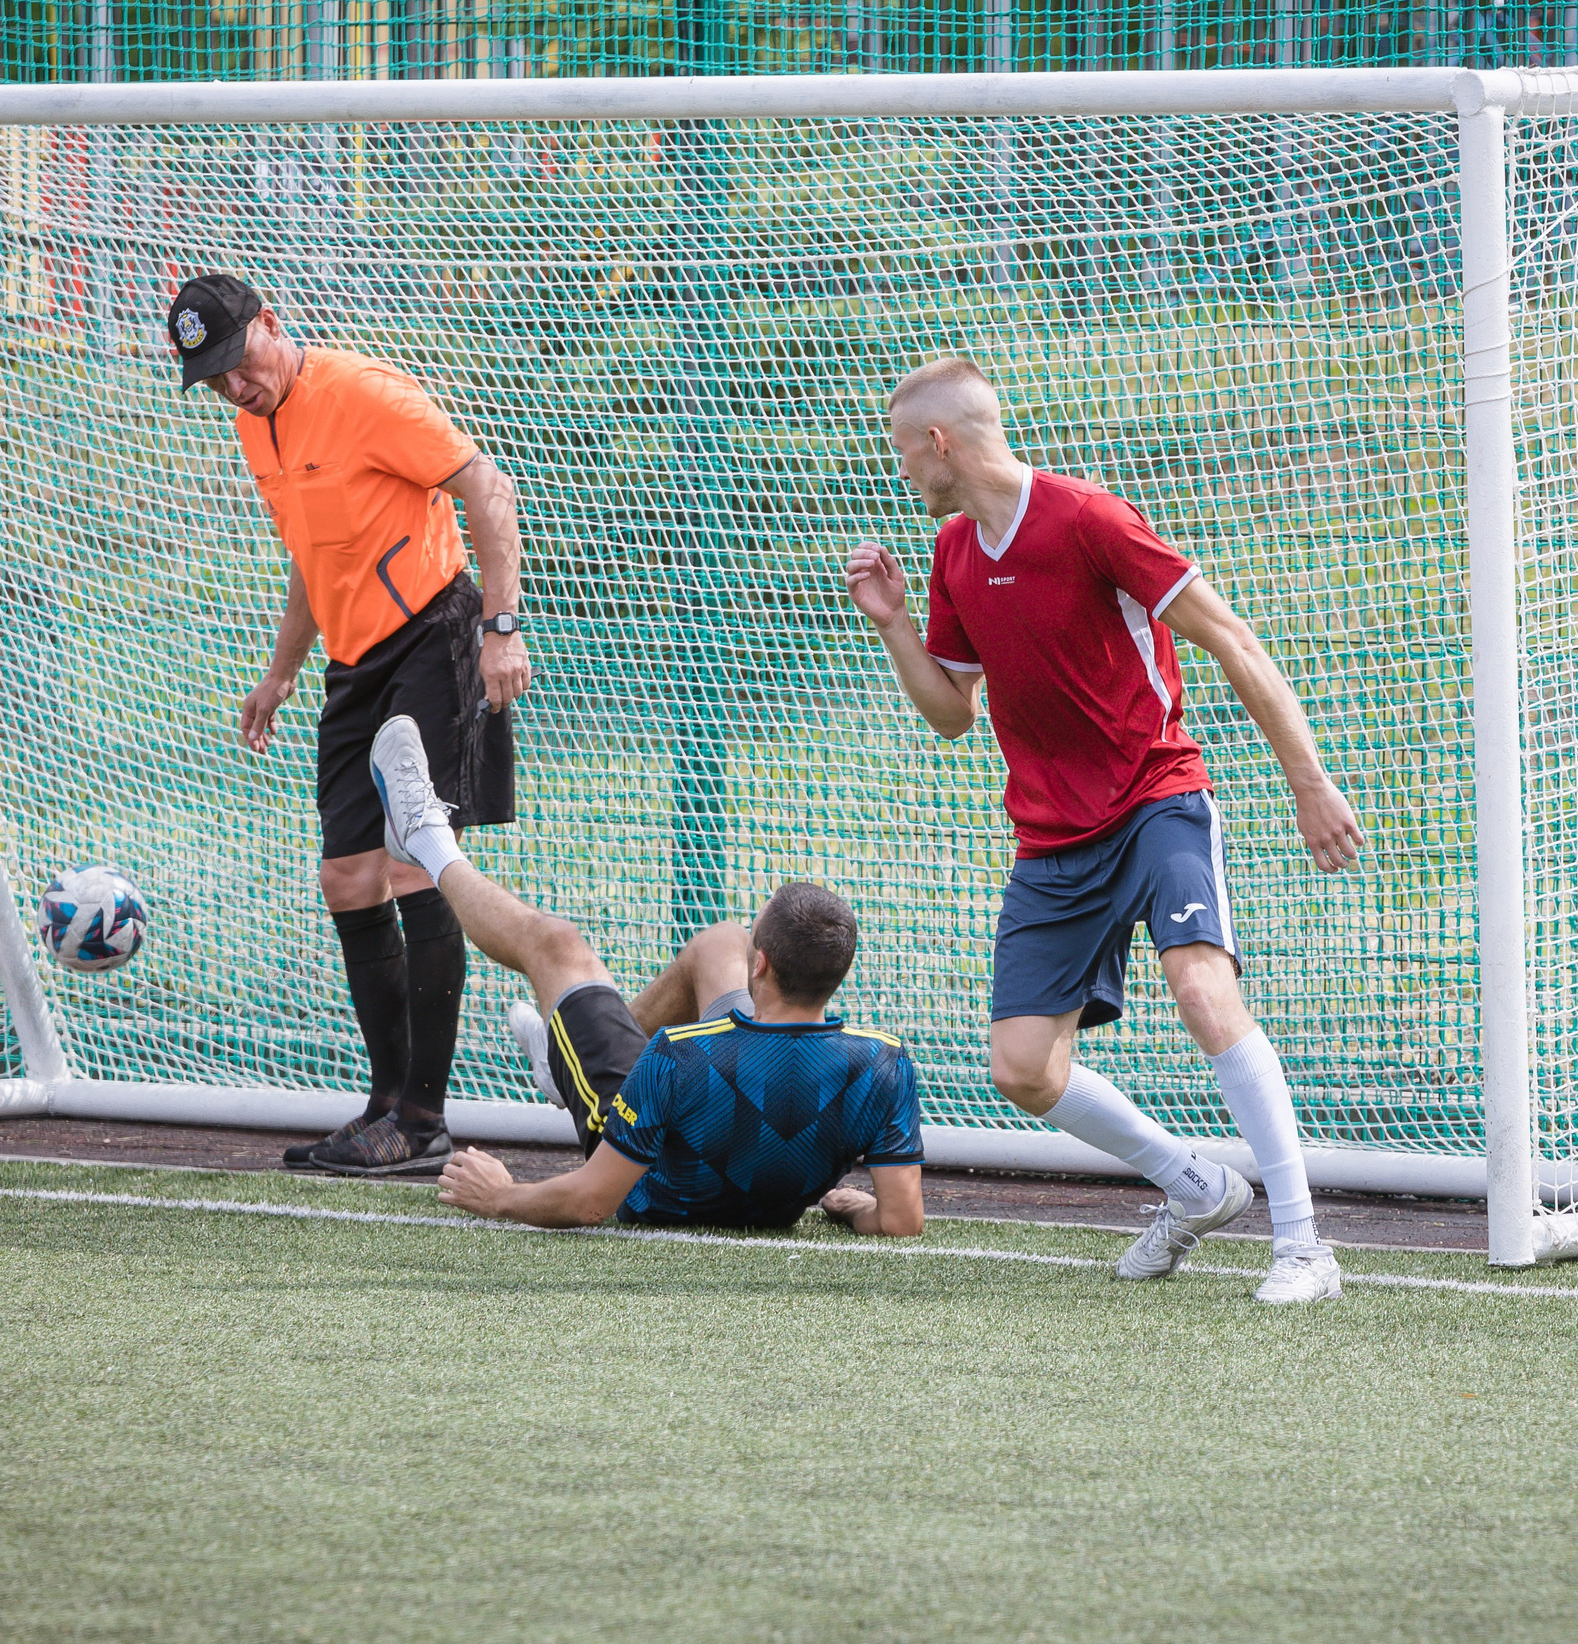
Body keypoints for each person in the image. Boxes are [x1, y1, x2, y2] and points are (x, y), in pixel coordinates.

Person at [841, 356, 1364, 1305]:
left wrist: (1308, 781)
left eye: (904, 455)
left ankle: (1304, 1246)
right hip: (1052, 836)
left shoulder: (1090, 518)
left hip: (1156, 795)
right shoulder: (955, 552)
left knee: (1202, 991)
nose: (904, 476)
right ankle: (1195, 1186)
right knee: (1022, 1067)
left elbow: (1232, 639)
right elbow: (953, 713)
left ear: (940, 443)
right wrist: (894, 625)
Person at [170, 273, 531, 1177]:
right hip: (352, 662)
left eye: (237, 363)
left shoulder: (363, 393)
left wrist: (500, 625)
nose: (233, 388)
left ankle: (423, 1117)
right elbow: (310, 552)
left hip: (436, 632)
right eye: (212, 378)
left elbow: (488, 487)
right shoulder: (254, 425)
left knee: (415, 858)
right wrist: (280, 673)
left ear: (271, 325)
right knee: (346, 877)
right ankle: (384, 1109)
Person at [365, 714, 925, 1236]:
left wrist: (501, 1196)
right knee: (717, 941)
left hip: (653, 1191)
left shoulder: (676, 1055)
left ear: (763, 965)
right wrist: (858, 1207)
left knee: (556, 945)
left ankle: (423, 836)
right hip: (754, 1139)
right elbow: (901, 1219)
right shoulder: (885, 1063)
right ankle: (563, 1051)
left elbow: (593, 1201)